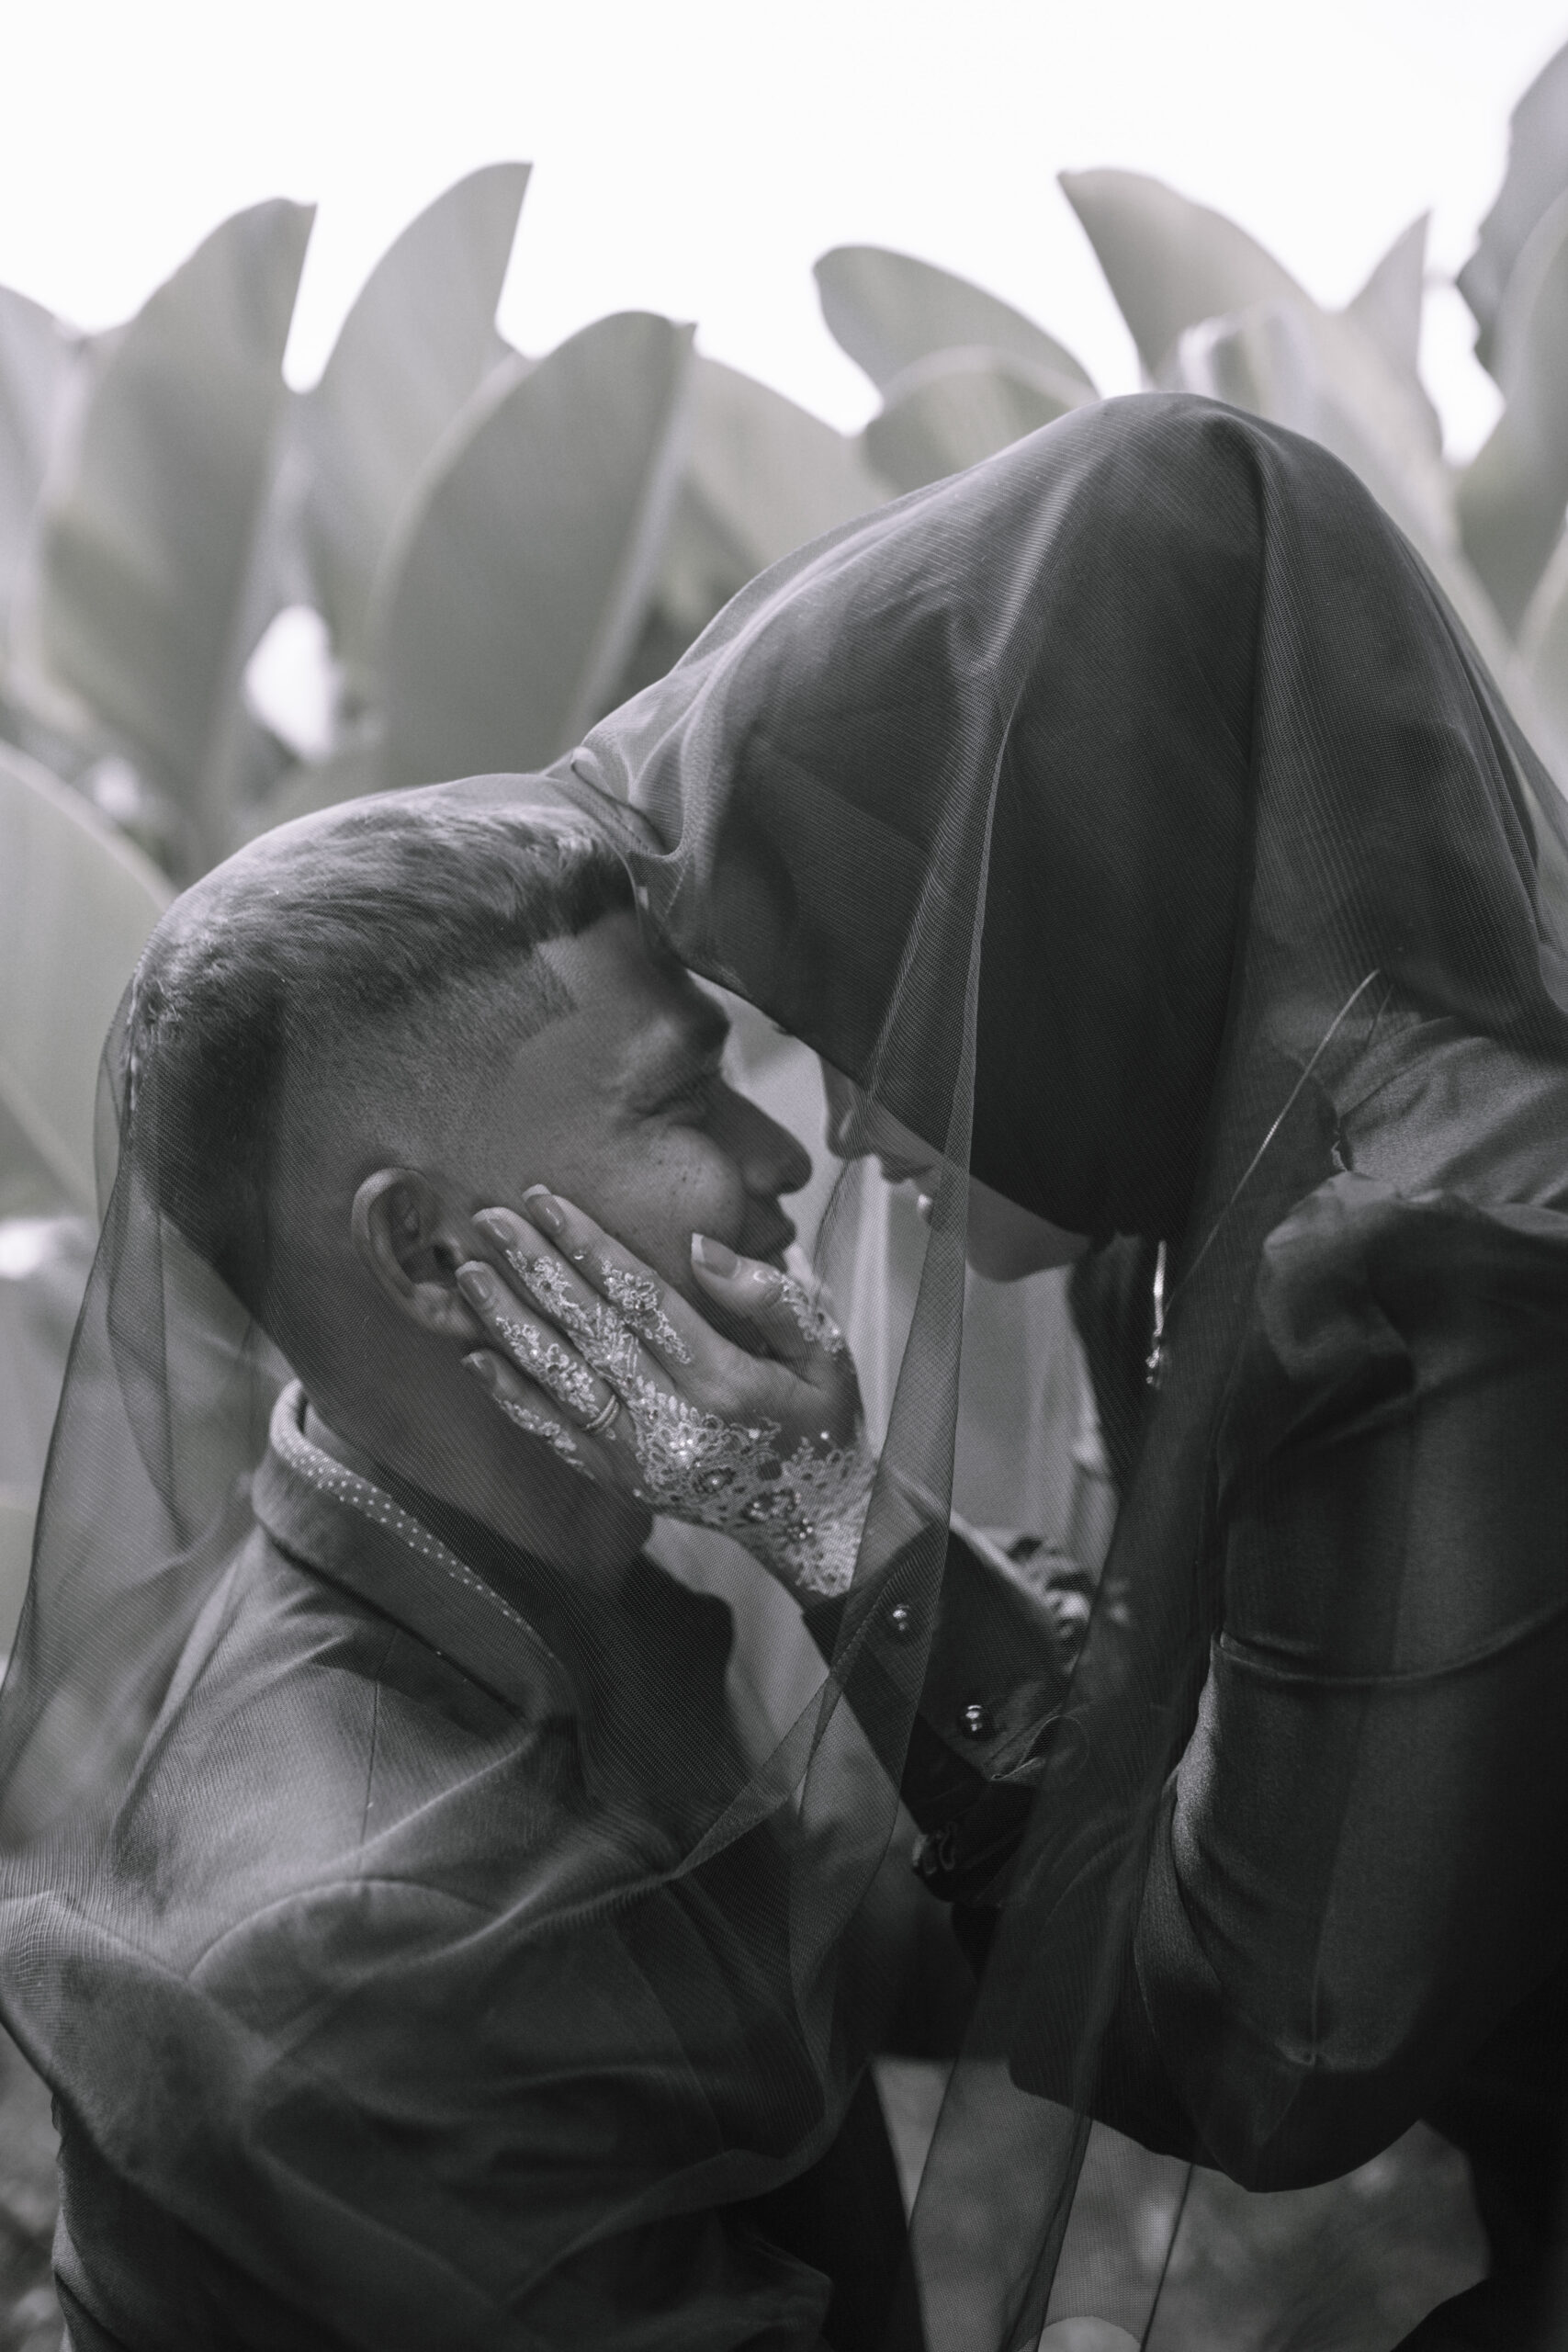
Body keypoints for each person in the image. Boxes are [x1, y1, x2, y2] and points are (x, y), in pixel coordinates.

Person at [446, 392, 1568, 2346]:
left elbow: (1276, 2039)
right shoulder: (1189, 1195)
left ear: (1077, 903)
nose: (848, 1127)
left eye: (882, 1011)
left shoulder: (1432, 1267)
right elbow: (1195, 1756)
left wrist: (832, 1520)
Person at [0, 792, 1052, 2352]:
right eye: (684, 1103)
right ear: (429, 1257)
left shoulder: (511, 1562)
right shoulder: (366, 1943)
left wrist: (843, 1526)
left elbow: (850, 1960)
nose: (783, 1153)